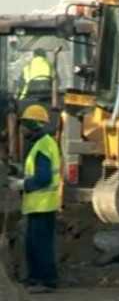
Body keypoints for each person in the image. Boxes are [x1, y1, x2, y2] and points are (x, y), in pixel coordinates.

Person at [7, 104, 61, 293]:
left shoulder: (42, 145)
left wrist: (22, 185)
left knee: (40, 246)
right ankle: (35, 278)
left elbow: (44, 178)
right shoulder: (40, 143)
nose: (20, 129)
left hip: (42, 205)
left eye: (23, 124)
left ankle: (46, 281)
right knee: (34, 244)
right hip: (38, 205)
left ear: (31, 125)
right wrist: (20, 174)